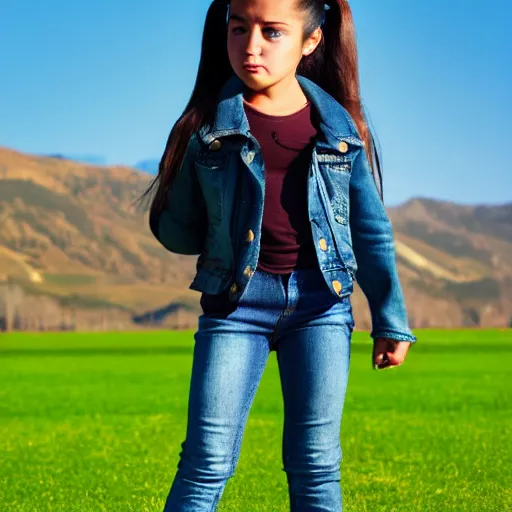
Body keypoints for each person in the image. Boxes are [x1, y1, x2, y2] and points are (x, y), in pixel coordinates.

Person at [141, 0, 417, 509]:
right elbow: (177, 233)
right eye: (238, 28)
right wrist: (186, 160)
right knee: (206, 463)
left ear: (310, 41)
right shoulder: (208, 128)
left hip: (321, 307)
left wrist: (391, 320)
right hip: (234, 307)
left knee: (316, 466)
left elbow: (371, 231)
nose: (250, 47)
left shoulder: (339, 131)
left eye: (272, 32)